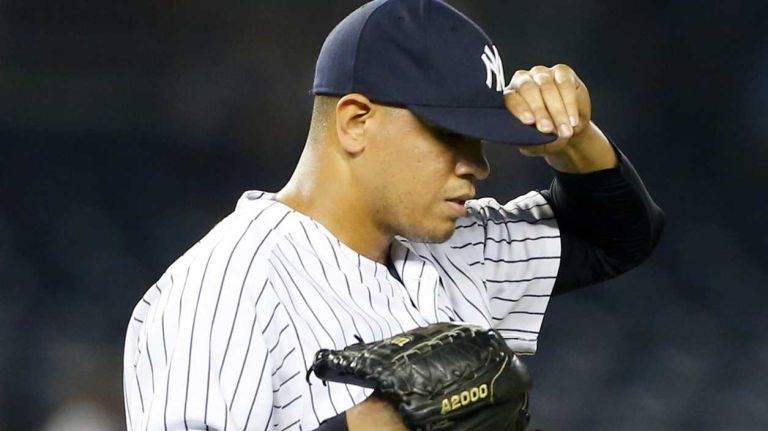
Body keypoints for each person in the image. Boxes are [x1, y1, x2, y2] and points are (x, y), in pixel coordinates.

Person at [123, 0, 664, 430]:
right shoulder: (222, 290)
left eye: (478, 138)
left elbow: (615, 238)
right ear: (357, 121)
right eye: (449, 134)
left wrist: (573, 138)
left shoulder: (450, 246)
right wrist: (366, 428)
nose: (477, 165)